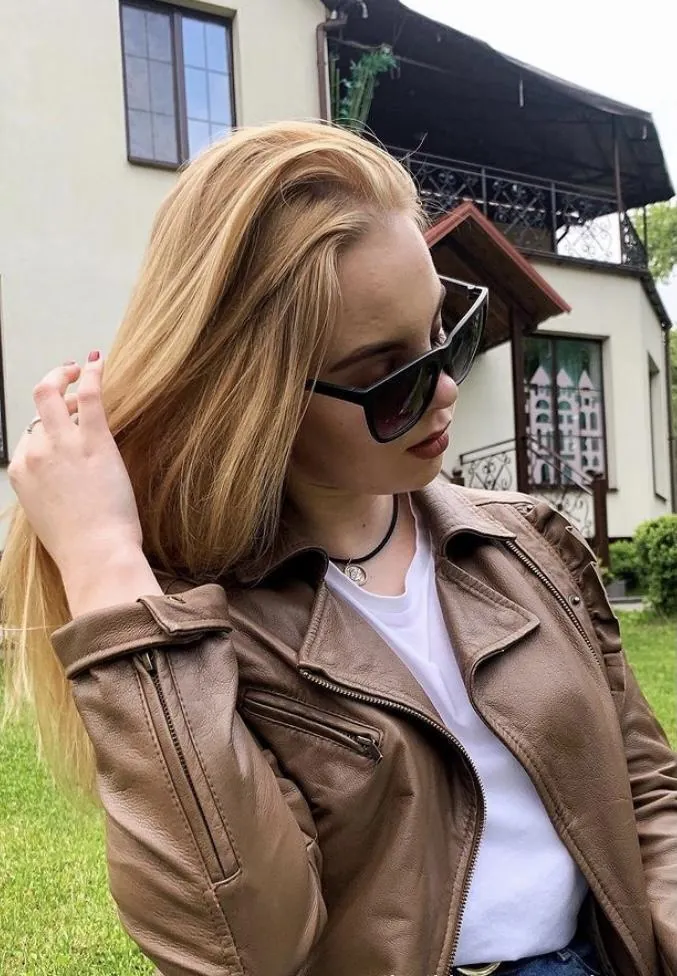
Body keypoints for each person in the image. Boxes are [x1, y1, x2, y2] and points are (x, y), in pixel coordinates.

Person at [2, 121, 675, 976]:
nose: (443, 390)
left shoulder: (524, 542)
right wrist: (103, 565)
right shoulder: (194, 634)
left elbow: (646, 796)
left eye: (447, 335)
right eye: (386, 377)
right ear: (254, 392)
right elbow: (243, 945)